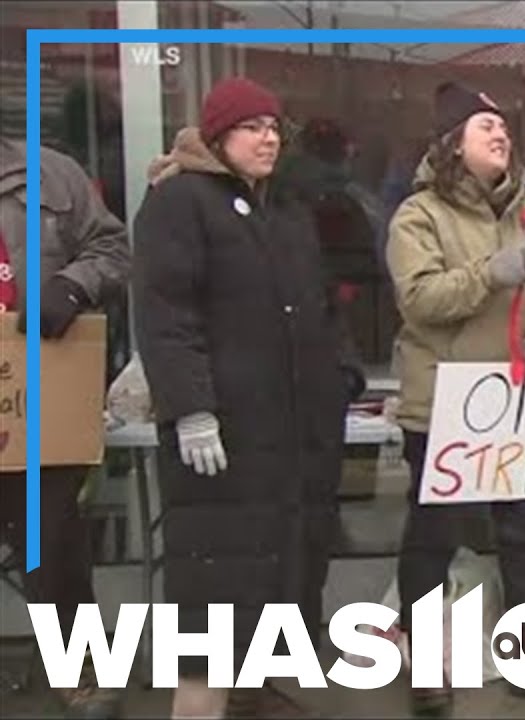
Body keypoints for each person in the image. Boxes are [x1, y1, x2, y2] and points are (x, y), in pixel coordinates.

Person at [132, 77, 364, 719]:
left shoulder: (284, 208)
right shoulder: (180, 202)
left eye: (274, 127)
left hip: (289, 437)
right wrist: (191, 407)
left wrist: (341, 375)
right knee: (213, 600)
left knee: (280, 581)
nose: (268, 139)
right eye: (251, 127)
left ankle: (254, 696)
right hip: (223, 440)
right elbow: (165, 314)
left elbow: (319, 303)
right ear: (217, 136)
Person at [385, 81, 525, 718]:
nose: (500, 136)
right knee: (435, 539)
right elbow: (419, 301)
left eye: (503, 128)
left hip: (521, 405)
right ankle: (426, 663)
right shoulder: (418, 216)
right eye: (484, 128)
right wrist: (488, 275)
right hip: (446, 403)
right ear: (453, 145)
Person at [0, 137, 130, 719]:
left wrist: (72, 284)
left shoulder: (50, 173)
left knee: (50, 538)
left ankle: (78, 670)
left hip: (36, 395)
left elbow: (114, 245)